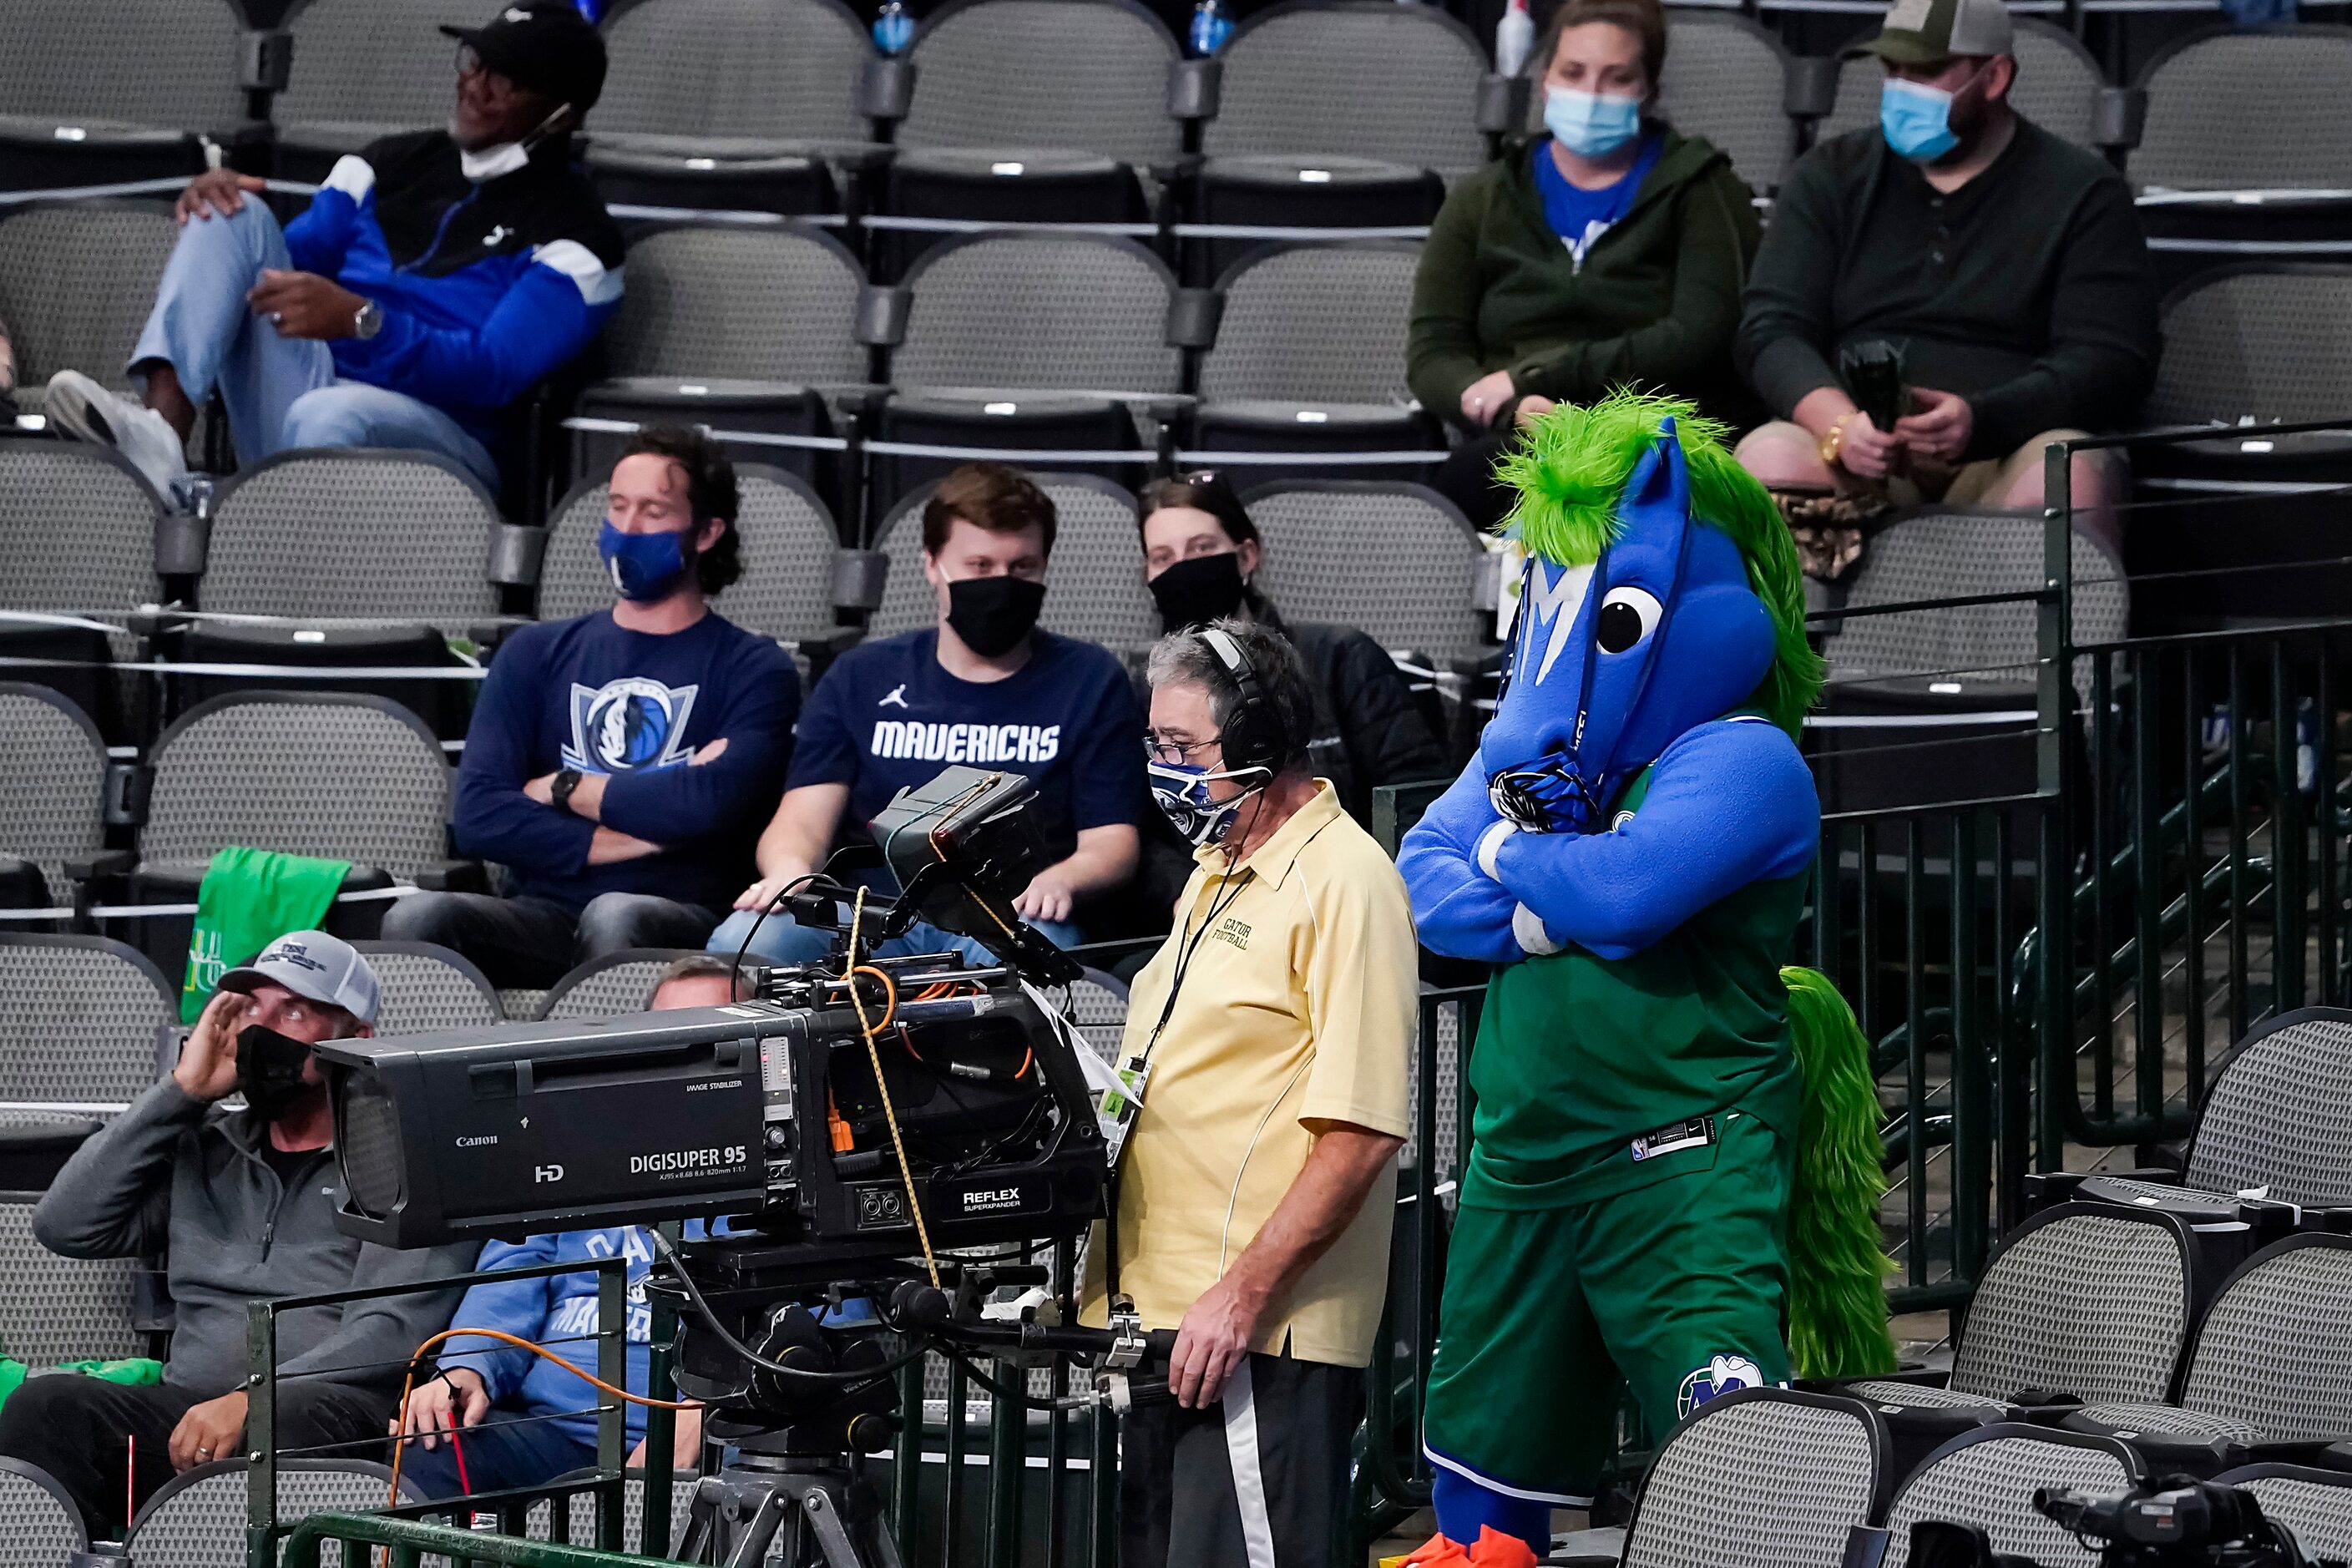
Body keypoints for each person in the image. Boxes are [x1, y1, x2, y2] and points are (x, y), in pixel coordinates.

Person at [1393, 395, 1890, 1562]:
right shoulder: (1538, 748)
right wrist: (1544, 911)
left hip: (1680, 1161)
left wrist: (1510, 857)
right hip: (1521, 1162)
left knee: (1735, 1488)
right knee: (1476, 1501)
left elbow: (1628, 896)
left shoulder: (1744, 757)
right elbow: (1423, 876)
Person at [1078, 620, 1414, 1568]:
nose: (1164, 769)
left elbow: (1359, 1130)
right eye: (1155, 745)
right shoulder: (1216, 874)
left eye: (1185, 747)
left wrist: (1240, 1296)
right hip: (1167, 1323)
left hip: (1255, 1334)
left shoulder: (1346, 882)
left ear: (1263, 740)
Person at [41, 0, 623, 502]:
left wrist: (363, 322)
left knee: (331, 414)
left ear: (560, 115)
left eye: (507, 80)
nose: (475, 85)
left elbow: (493, 373)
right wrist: (213, 209)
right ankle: (160, 441)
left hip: (447, 448)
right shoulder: (387, 162)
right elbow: (275, 271)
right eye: (477, 63)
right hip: (306, 394)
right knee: (230, 213)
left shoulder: (580, 237)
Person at [0, 933, 473, 1539]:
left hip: (331, 1406)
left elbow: (389, 1332)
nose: (260, 1028)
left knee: (286, 1418)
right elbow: (64, 1225)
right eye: (249, 1009)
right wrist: (183, 1092)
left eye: (293, 1012)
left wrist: (257, 1396)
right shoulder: (203, 1149)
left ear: (357, 1041)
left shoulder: (406, 1165)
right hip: (188, 1409)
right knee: (49, 1407)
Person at [1732, 0, 2157, 551]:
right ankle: (1798, 637)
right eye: (1892, 70)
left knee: (2067, 475)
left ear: (1994, 76)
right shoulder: (1831, 176)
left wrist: (1980, 420)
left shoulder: (2082, 194)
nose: (1902, 88)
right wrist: (1839, 426)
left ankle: (2022, 637)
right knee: (1770, 459)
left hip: (2008, 444)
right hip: (1859, 443)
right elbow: (1769, 328)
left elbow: (2112, 361)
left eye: (1926, 72)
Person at [385, 427, 798, 989]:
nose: (626, 530)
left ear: (706, 532)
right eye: (618, 506)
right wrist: (651, 825)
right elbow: (480, 816)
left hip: (679, 918)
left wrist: (563, 788)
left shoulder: (754, 667)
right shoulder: (533, 652)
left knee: (616, 913)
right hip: (542, 914)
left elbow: (708, 805)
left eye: (653, 512)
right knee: (417, 915)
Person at [711, 463, 1144, 968]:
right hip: (865, 911)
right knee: (744, 942)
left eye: (1022, 567)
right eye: (979, 566)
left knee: (1033, 962)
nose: (1002, 583)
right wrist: (789, 872)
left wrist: (1063, 878)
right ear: (931, 563)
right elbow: (802, 818)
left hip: (1005, 913)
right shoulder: (861, 676)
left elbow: (1113, 842)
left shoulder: (1092, 679)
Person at [390, 956, 747, 1497]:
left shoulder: (785, 1176)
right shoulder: (576, 1154)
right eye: (669, 1035)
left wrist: (712, 1409)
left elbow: (824, 1318)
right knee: (429, 1443)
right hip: (548, 1430)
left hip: (702, 1435)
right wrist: (466, 1369)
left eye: (710, 1035)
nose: (685, 1054)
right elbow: (512, 1276)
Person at [1409, 0, 1762, 530]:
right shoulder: (1484, 196)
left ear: (1649, 91)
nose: (1590, 95)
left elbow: (1699, 334)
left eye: (1616, 78)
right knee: (1472, 479)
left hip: (1656, 435)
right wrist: (1519, 407)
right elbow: (1433, 355)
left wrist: (1541, 373)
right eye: (1573, 73)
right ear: (1544, 80)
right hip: (1525, 435)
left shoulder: (1703, 188)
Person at [1137, 473, 1449, 824]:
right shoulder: (1143, 692)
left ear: (1246, 555)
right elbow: (1147, 837)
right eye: (1163, 557)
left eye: (1202, 548)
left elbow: (1415, 803)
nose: (1184, 569)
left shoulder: (1342, 658)